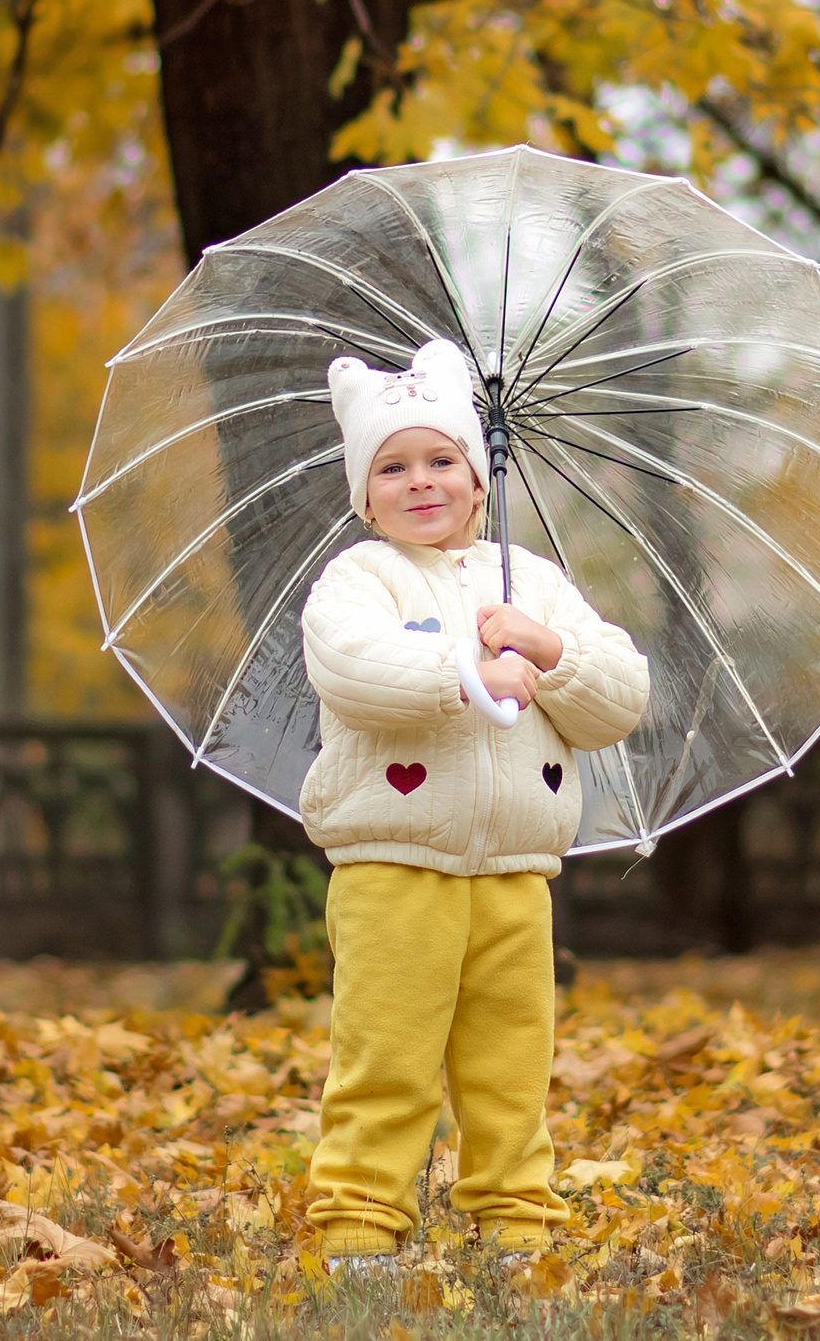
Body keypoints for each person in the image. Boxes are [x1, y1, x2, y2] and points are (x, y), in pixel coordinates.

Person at [298, 338, 650, 1273]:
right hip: (394, 863)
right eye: (393, 467)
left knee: (510, 1061)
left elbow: (618, 698)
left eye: (442, 459)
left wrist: (545, 650)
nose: (422, 481)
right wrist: (464, 669)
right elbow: (351, 667)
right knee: (388, 1054)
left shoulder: (529, 581)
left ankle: (514, 1219)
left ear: (478, 476)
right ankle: (361, 1222)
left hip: (515, 872)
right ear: (364, 494)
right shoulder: (359, 578)